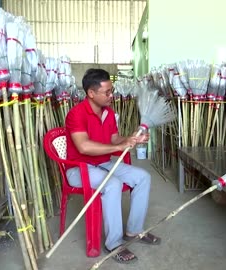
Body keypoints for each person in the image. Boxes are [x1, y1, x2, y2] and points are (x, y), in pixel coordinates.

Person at [65, 68, 160, 264]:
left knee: (143, 177)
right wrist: (119, 145)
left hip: (103, 163)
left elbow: (114, 139)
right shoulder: (76, 114)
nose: (111, 95)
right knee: (113, 184)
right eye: (107, 92)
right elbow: (83, 147)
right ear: (91, 93)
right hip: (79, 169)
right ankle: (114, 243)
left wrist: (132, 139)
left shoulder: (108, 113)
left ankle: (134, 230)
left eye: (112, 90)